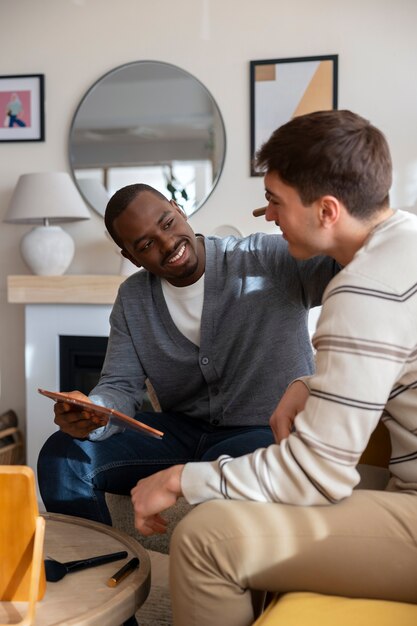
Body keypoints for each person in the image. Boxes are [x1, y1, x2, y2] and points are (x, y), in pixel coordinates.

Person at [130, 110, 417, 626]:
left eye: (276, 202)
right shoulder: (405, 243)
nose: (268, 216)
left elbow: (316, 474)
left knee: (204, 536)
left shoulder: (363, 287)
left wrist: (178, 480)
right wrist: (310, 383)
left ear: (327, 210)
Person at [37, 183, 338, 529]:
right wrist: (96, 413)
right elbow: (120, 385)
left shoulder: (265, 258)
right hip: (180, 436)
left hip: (265, 432)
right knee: (62, 455)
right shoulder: (133, 299)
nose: (167, 244)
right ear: (131, 257)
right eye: (146, 244)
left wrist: (310, 218)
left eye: (167, 223)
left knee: (218, 461)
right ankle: (103, 569)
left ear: (178, 208)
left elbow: (353, 261)